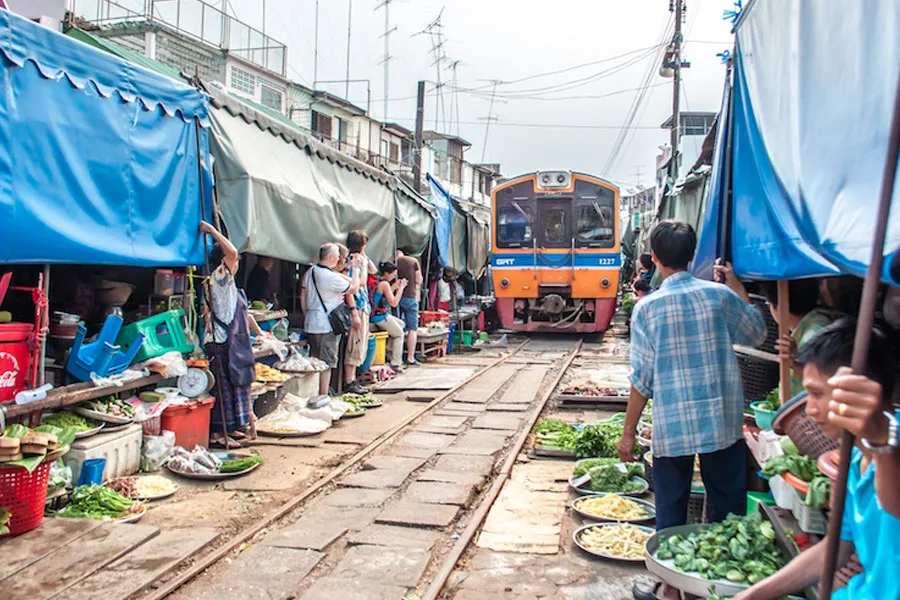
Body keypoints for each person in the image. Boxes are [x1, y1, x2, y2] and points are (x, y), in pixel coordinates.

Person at [620, 221, 767, 600]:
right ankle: (717, 586)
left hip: (674, 425)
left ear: (654, 259)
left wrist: (628, 431)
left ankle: (670, 588)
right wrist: (735, 285)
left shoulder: (647, 308)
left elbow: (642, 379)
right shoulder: (720, 297)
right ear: (692, 255)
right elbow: (756, 333)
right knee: (727, 507)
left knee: (670, 507)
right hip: (722, 422)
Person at [732, 319, 900, 600]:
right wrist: (752, 595)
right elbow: (835, 548)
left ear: (860, 390)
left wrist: (880, 438)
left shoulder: (886, 443)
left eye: (817, 394)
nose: (809, 409)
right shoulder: (854, 458)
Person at [200, 221, 256, 449]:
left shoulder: (220, 280)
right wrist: (212, 231)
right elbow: (232, 251)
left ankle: (230, 427)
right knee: (223, 391)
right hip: (220, 342)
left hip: (224, 340)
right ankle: (217, 434)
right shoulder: (220, 275)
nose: (237, 263)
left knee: (232, 386)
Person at [300, 243, 363, 396]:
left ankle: (314, 394)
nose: (339, 259)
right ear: (332, 257)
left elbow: (303, 297)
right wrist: (355, 269)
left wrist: (307, 314)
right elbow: (354, 288)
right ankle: (322, 396)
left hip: (311, 322)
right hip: (325, 326)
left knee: (314, 362)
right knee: (326, 364)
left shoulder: (311, 272)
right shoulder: (328, 277)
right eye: (337, 256)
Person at [759, 279, 840, 395]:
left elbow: (824, 379)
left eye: (769, 303)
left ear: (779, 306)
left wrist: (794, 363)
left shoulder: (814, 334)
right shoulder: (815, 325)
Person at [342, 232, 375, 394]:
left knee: (360, 343)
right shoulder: (352, 261)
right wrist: (354, 312)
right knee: (355, 343)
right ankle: (349, 381)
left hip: (363, 305)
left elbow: (373, 269)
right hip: (357, 305)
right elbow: (357, 284)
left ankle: (352, 379)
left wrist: (365, 258)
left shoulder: (359, 258)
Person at [370, 262, 407, 373]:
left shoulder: (380, 281)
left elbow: (384, 295)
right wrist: (401, 289)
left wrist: (394, 286)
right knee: (399, 334)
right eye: (392, 274)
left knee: (401, 324)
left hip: (381, 314)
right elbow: (394, 302)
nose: (393, 277)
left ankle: (389, 351)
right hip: (379, 316)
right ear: (386, 273)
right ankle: (395, 363)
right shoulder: (384, 284)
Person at [396, 248, 423, 365]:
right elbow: (419, 280)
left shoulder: (393, 262)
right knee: (412, 329)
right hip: (410, 297)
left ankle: (397, 357)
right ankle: (410, 357)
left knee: (397, 327)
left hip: (396, 297)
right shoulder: (413, 261)